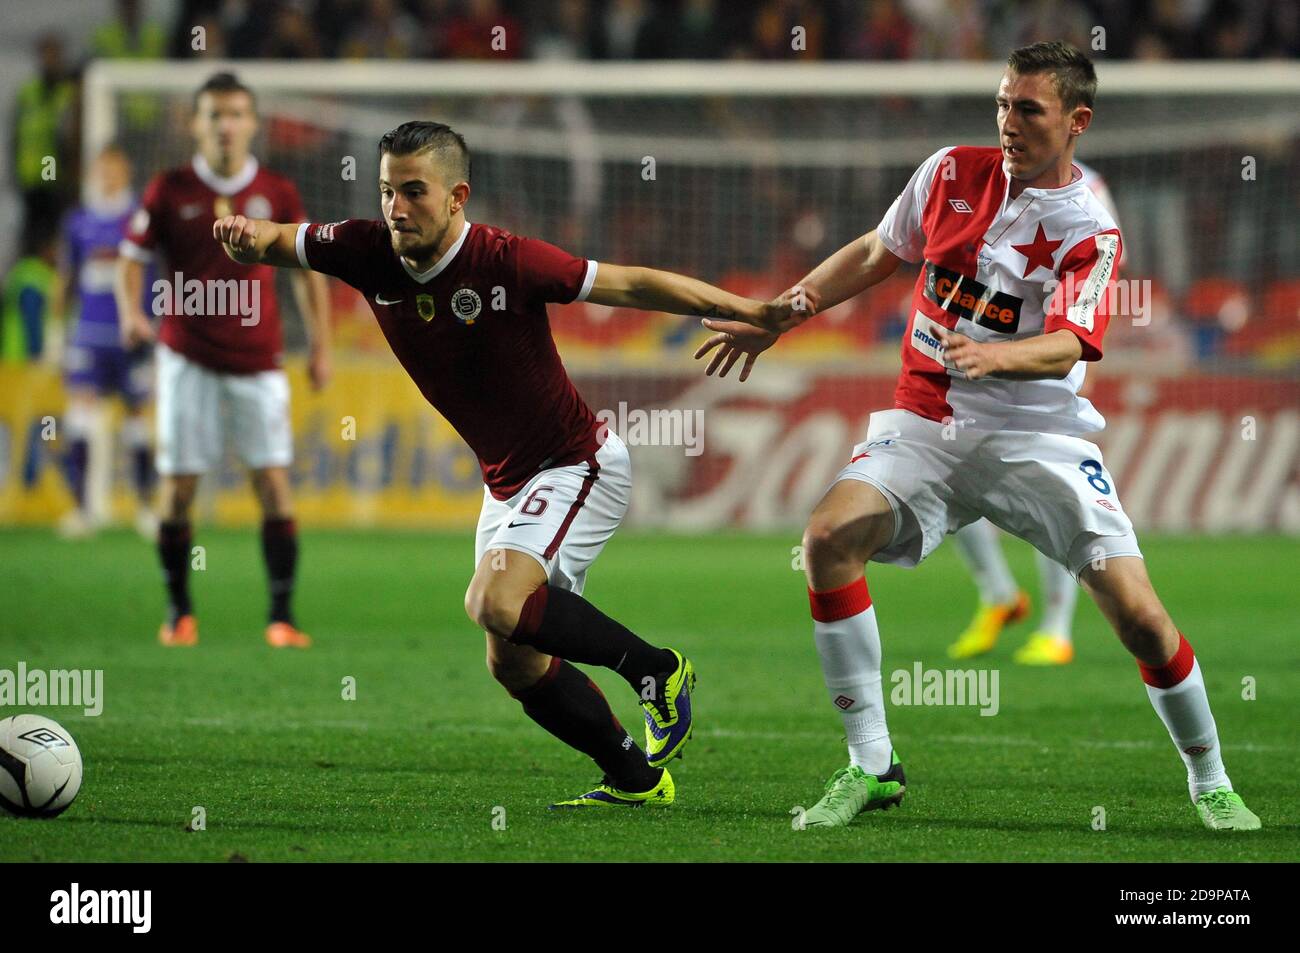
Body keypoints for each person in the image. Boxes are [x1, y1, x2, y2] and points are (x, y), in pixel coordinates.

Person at [696, 41, 1260, 832]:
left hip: (1039, 435)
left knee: (1139, 616)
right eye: (1002, 103)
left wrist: (999, 357)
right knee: (827, 536)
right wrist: (787, 311)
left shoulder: (1089, 228)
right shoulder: (949, 172)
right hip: (927, 418)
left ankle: (1210, 779)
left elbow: (1072, 342)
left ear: (1077, 121)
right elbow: (874, 251)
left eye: (1028, 110)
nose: (1008, 122)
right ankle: (871, 763)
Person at [212, 120, 794, 808]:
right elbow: (284, 239)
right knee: (511, 658)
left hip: (578, 464)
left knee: (493, 598)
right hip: (508, 481)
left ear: (457, 196)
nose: (396, 208)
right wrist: (245, 235)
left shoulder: (506, 260)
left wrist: (750, 310)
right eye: (386, 192)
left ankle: (657, 671)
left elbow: (632, 286)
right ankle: (636, 778)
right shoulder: (366, 250)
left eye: (413, 192)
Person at [116, 72, 333, 649]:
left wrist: (320, 346)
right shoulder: (168, 189)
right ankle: (178, 611)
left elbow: (308, 275)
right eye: (215, 114)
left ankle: (282, 617)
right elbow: (130, 259)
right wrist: (131, 314)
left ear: (253, 122)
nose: (226, 125)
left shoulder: (278, 192)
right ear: (196, 123)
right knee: (180, 486)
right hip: (186, 357)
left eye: (236, 113)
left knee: (272, 482)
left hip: (259, 361)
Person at [55, 144, 155, 539]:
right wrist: (54, 329)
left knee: (137, 417)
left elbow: (157, 273)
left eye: (115, 170)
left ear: (126, 173)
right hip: (88, 335)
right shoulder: (77, 222)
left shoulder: (140, 220)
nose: (108, 177)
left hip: (131, 334)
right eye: (102, 170)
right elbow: (67, 275)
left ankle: (146, 508)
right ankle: (82, 509)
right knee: (80, 415)